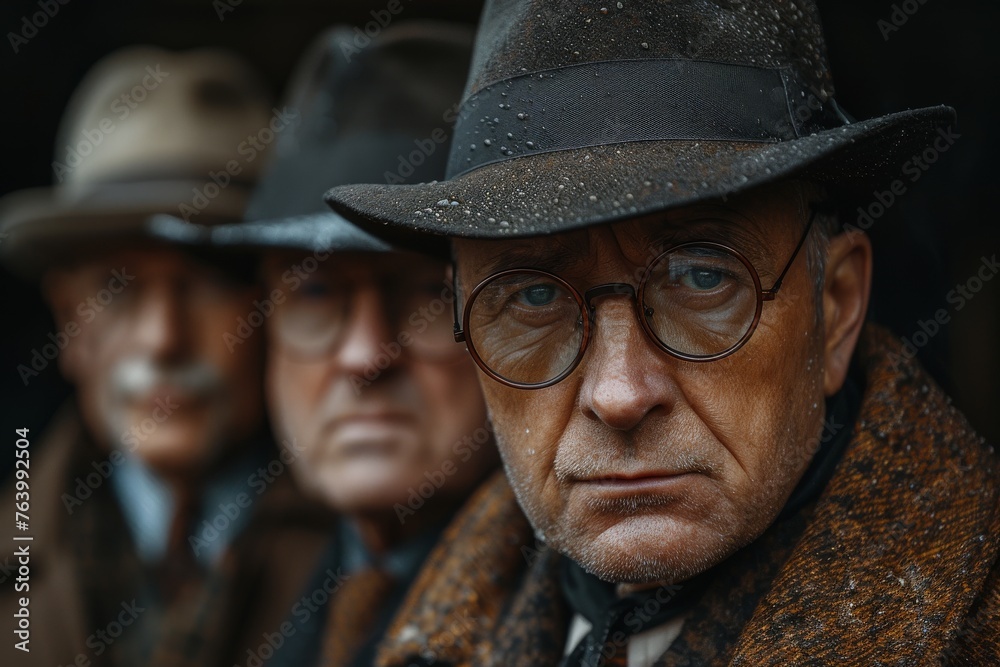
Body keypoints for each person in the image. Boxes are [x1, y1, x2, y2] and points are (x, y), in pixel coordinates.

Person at [324, 1, 1000, 665]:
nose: (619, 394)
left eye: (701, 279)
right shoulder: (420, 631)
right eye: (534, 296)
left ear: (836, 308)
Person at [152, 23, 503, 667]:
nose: (365, 356)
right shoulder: (246, 588)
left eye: (429, 294)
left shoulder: (576, 615)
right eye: (314, 293)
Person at [0, 47, 331, 667]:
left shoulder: (370, 545)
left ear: (277, 309)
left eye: (207, 282)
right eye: (118, 287)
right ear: (71, 323)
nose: (163, 338)